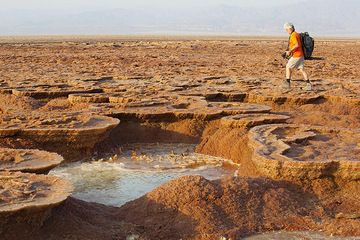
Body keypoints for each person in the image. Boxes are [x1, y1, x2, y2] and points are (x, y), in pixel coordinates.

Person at [283, 22, 312, 91]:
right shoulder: (296, 34)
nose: (286, 31)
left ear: (290, 28)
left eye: (286, 30)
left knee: (288, 67)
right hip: (301, 55)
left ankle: (287, 84)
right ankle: (308, 85)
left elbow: (296, 45)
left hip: (297, 56)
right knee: (301, 70)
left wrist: (290, 51)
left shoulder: (293, 35)